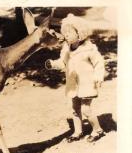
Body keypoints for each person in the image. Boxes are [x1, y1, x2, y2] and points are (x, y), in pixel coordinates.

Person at [45, 14, 105, 142]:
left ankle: (98, 130)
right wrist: (53, 64)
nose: (66, 35)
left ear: (80, 34)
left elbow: (99, 63)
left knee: (86, 109)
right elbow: (63, 63)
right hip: (73, 84)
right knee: (74, 109)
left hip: (87, 83)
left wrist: (98, 76)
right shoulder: (66, 50)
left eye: (70, 32)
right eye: (64, 32)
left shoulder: (89, 49)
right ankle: (78, 131)